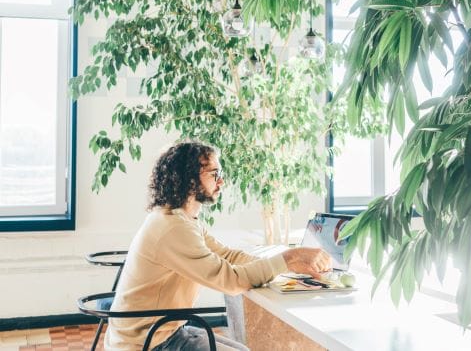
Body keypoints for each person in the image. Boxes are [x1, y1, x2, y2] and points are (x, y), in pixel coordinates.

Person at [104, 141, 332, 350]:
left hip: (159, 331)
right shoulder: (174, 228)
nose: (221, 181)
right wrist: (288, 259)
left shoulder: (180, 219)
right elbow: (231, 281)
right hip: (148, 343)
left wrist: (287, 263)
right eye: (215, 174)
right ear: (190, 178)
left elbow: (227, 256)